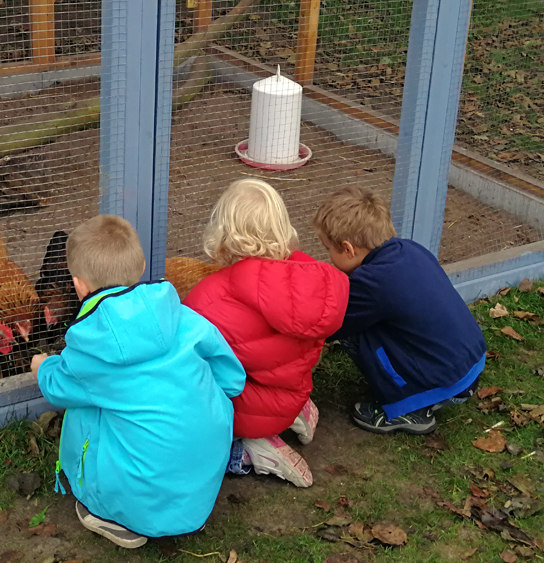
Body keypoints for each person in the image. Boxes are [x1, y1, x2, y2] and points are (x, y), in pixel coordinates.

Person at [30, 215, 245, 548]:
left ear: (79, 285)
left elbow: (58, 388)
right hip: (201, 486)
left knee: (85, 406)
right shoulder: (185, 317)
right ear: (142, 264)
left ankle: (110, 514)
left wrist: (43, 366)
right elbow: (232, 380)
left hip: (142, 503)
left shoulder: (91, 346)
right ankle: (173, 495)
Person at [184, 179, 349, 488]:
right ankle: (299, 411)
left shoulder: (210, 297)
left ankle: (252, 448)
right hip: (293, 391)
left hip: (251, 410)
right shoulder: (308, 277)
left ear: (223, 234)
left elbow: (194, 360)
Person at [313, 187, 485, 434]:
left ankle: (411, 410)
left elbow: (330, 324)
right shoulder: (409, 249)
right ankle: (420, 387)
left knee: (353, 332)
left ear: (349, 249)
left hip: (446, 382)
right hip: (468, 364)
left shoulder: (373, 282)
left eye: (328, 248)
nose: (328, 256)